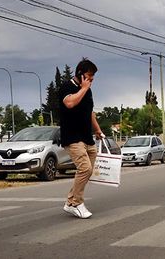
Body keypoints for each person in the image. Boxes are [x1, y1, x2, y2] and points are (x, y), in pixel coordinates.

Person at [60, 57, 105, 219]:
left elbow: (90, 112)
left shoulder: (88, 91)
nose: (91, 81)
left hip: (87, 137)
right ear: (80, 74)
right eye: (88, 77)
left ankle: (71, 201)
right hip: (72, 137)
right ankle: (76, 203)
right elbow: (70, 103)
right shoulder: (67, 86)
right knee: (85, 168)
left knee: (88, 171)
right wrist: (84, 89)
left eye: (92, 78)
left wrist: (98, 129)